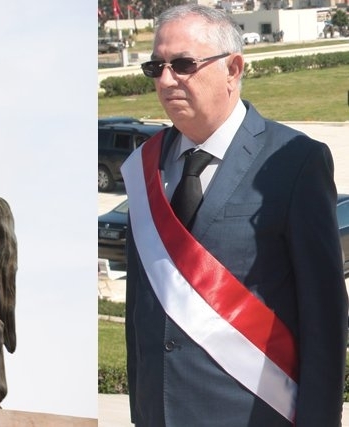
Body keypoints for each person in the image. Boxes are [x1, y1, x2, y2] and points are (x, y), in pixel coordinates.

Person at [121, 4, 347, 426]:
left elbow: (324, 318)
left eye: (184, 65)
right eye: (157, 66)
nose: (167, 80)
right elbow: (140, 309)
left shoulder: (293, 162)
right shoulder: (144, 168)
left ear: (233, 68)